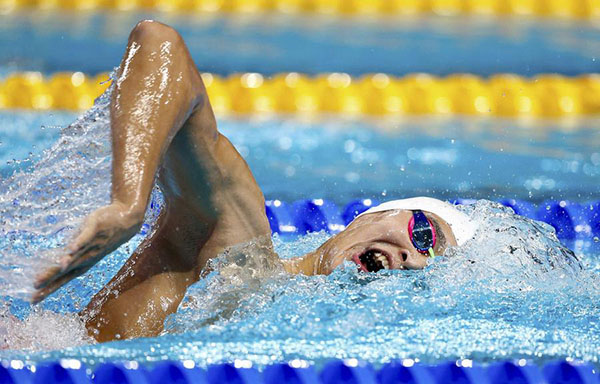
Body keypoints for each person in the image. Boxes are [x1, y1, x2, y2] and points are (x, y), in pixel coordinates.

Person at [32, 20, 477, 343]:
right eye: (424, 233)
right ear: (373, 215)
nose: (417, 261)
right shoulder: (239, 246)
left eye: (432, 266)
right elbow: (159, 44)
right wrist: (127, 204)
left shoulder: (297, 338)